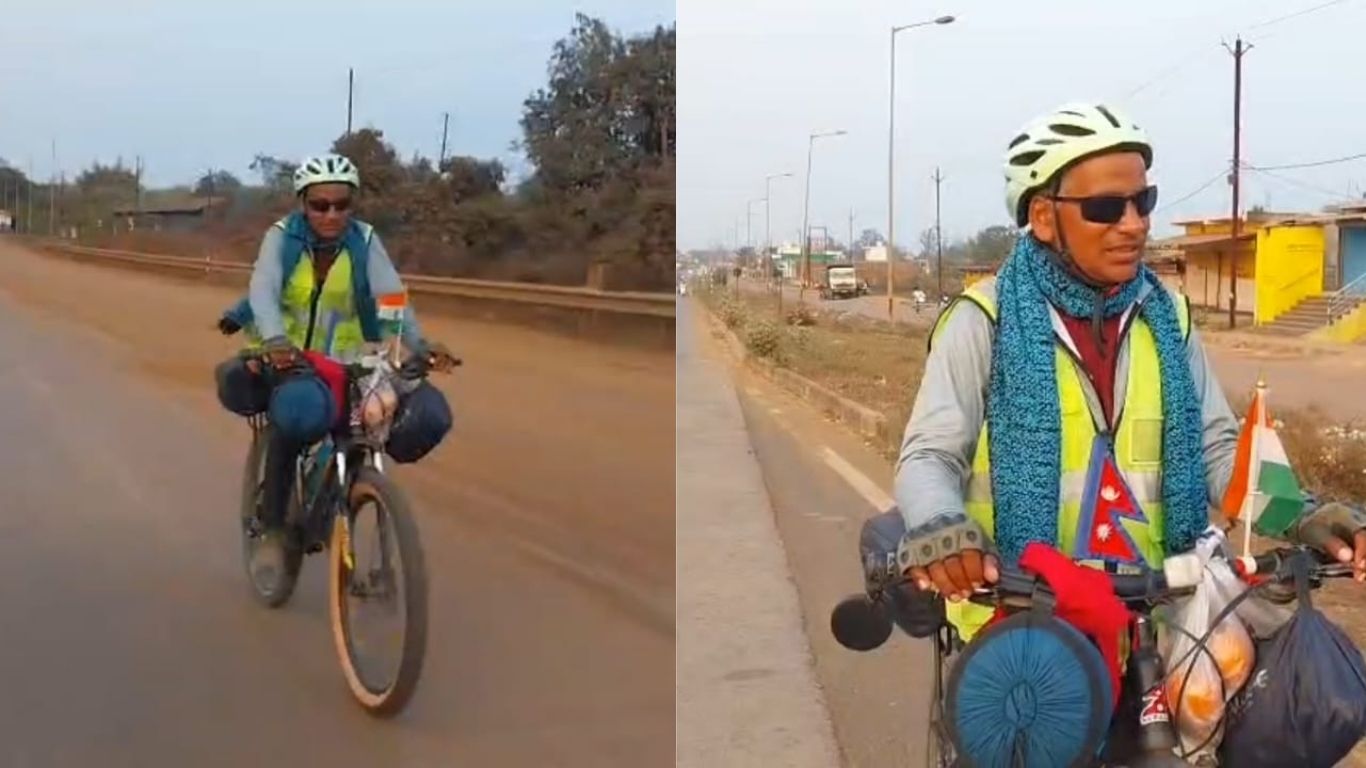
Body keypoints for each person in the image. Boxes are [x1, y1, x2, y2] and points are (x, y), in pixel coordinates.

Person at [861, 102, 1366, 645]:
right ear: (1044, 217)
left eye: (1142, 201)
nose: (1135, 224)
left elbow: (1217, 451)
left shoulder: (1167, 316)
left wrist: (1302, 514)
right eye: (1106, 207)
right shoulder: (983, 320)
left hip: (1159, 623)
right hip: (1019, 621)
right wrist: (942, 528)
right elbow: (930, 455)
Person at [214, 153, 454, 580]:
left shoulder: (363, 241)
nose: (331, 214)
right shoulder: (282, 239)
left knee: (379, 417)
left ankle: (352, 495)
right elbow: (263, 291)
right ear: (302, 203)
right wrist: (273, 341)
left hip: (343, 361)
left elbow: (390, 296)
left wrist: (420, 344)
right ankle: (272, 532)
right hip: (285, 359)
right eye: (320, 205)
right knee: (295, 422)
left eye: (342, 205)